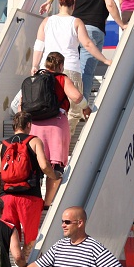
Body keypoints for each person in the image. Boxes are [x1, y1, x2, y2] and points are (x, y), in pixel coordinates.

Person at [32, 0, 110, 134]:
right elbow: (87, 44)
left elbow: (39, 45)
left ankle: (49, 136)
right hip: (70, 68)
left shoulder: (47, 21)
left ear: (59, 5)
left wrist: (34, 65)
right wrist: (104, 60)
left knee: (47, 105)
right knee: (73, 111)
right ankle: (65, 139)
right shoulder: (76, 22)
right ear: (73, 6)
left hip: (46, 69)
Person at [28, 52, 89, 207]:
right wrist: (86, 107)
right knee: (54, 166)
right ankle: (47, 203)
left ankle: (35, 201)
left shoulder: (35, 79)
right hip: (56, 125)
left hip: (35, 126)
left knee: (35, 165)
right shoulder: (62, 78)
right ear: (61, 65)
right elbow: (76, 97)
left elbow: (22, 103)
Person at [0, 112, 61, 254]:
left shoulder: (2, 146)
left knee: (11, 237)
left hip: (7, 197)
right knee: (31, 238)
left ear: (13, 126)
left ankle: (16, 260)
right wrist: (54, 176)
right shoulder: (34, 141)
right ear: (29, 125)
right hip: (30, 197)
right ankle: (25, 258)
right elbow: (44, 165)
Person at [71, 0, 126, 98]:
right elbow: (110, 4)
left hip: (75, 28)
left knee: (71, 67)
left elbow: (70, 1)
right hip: (93, 29)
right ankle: (82, 103)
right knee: (86, 70)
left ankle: (69, 99)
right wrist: (121, 24)